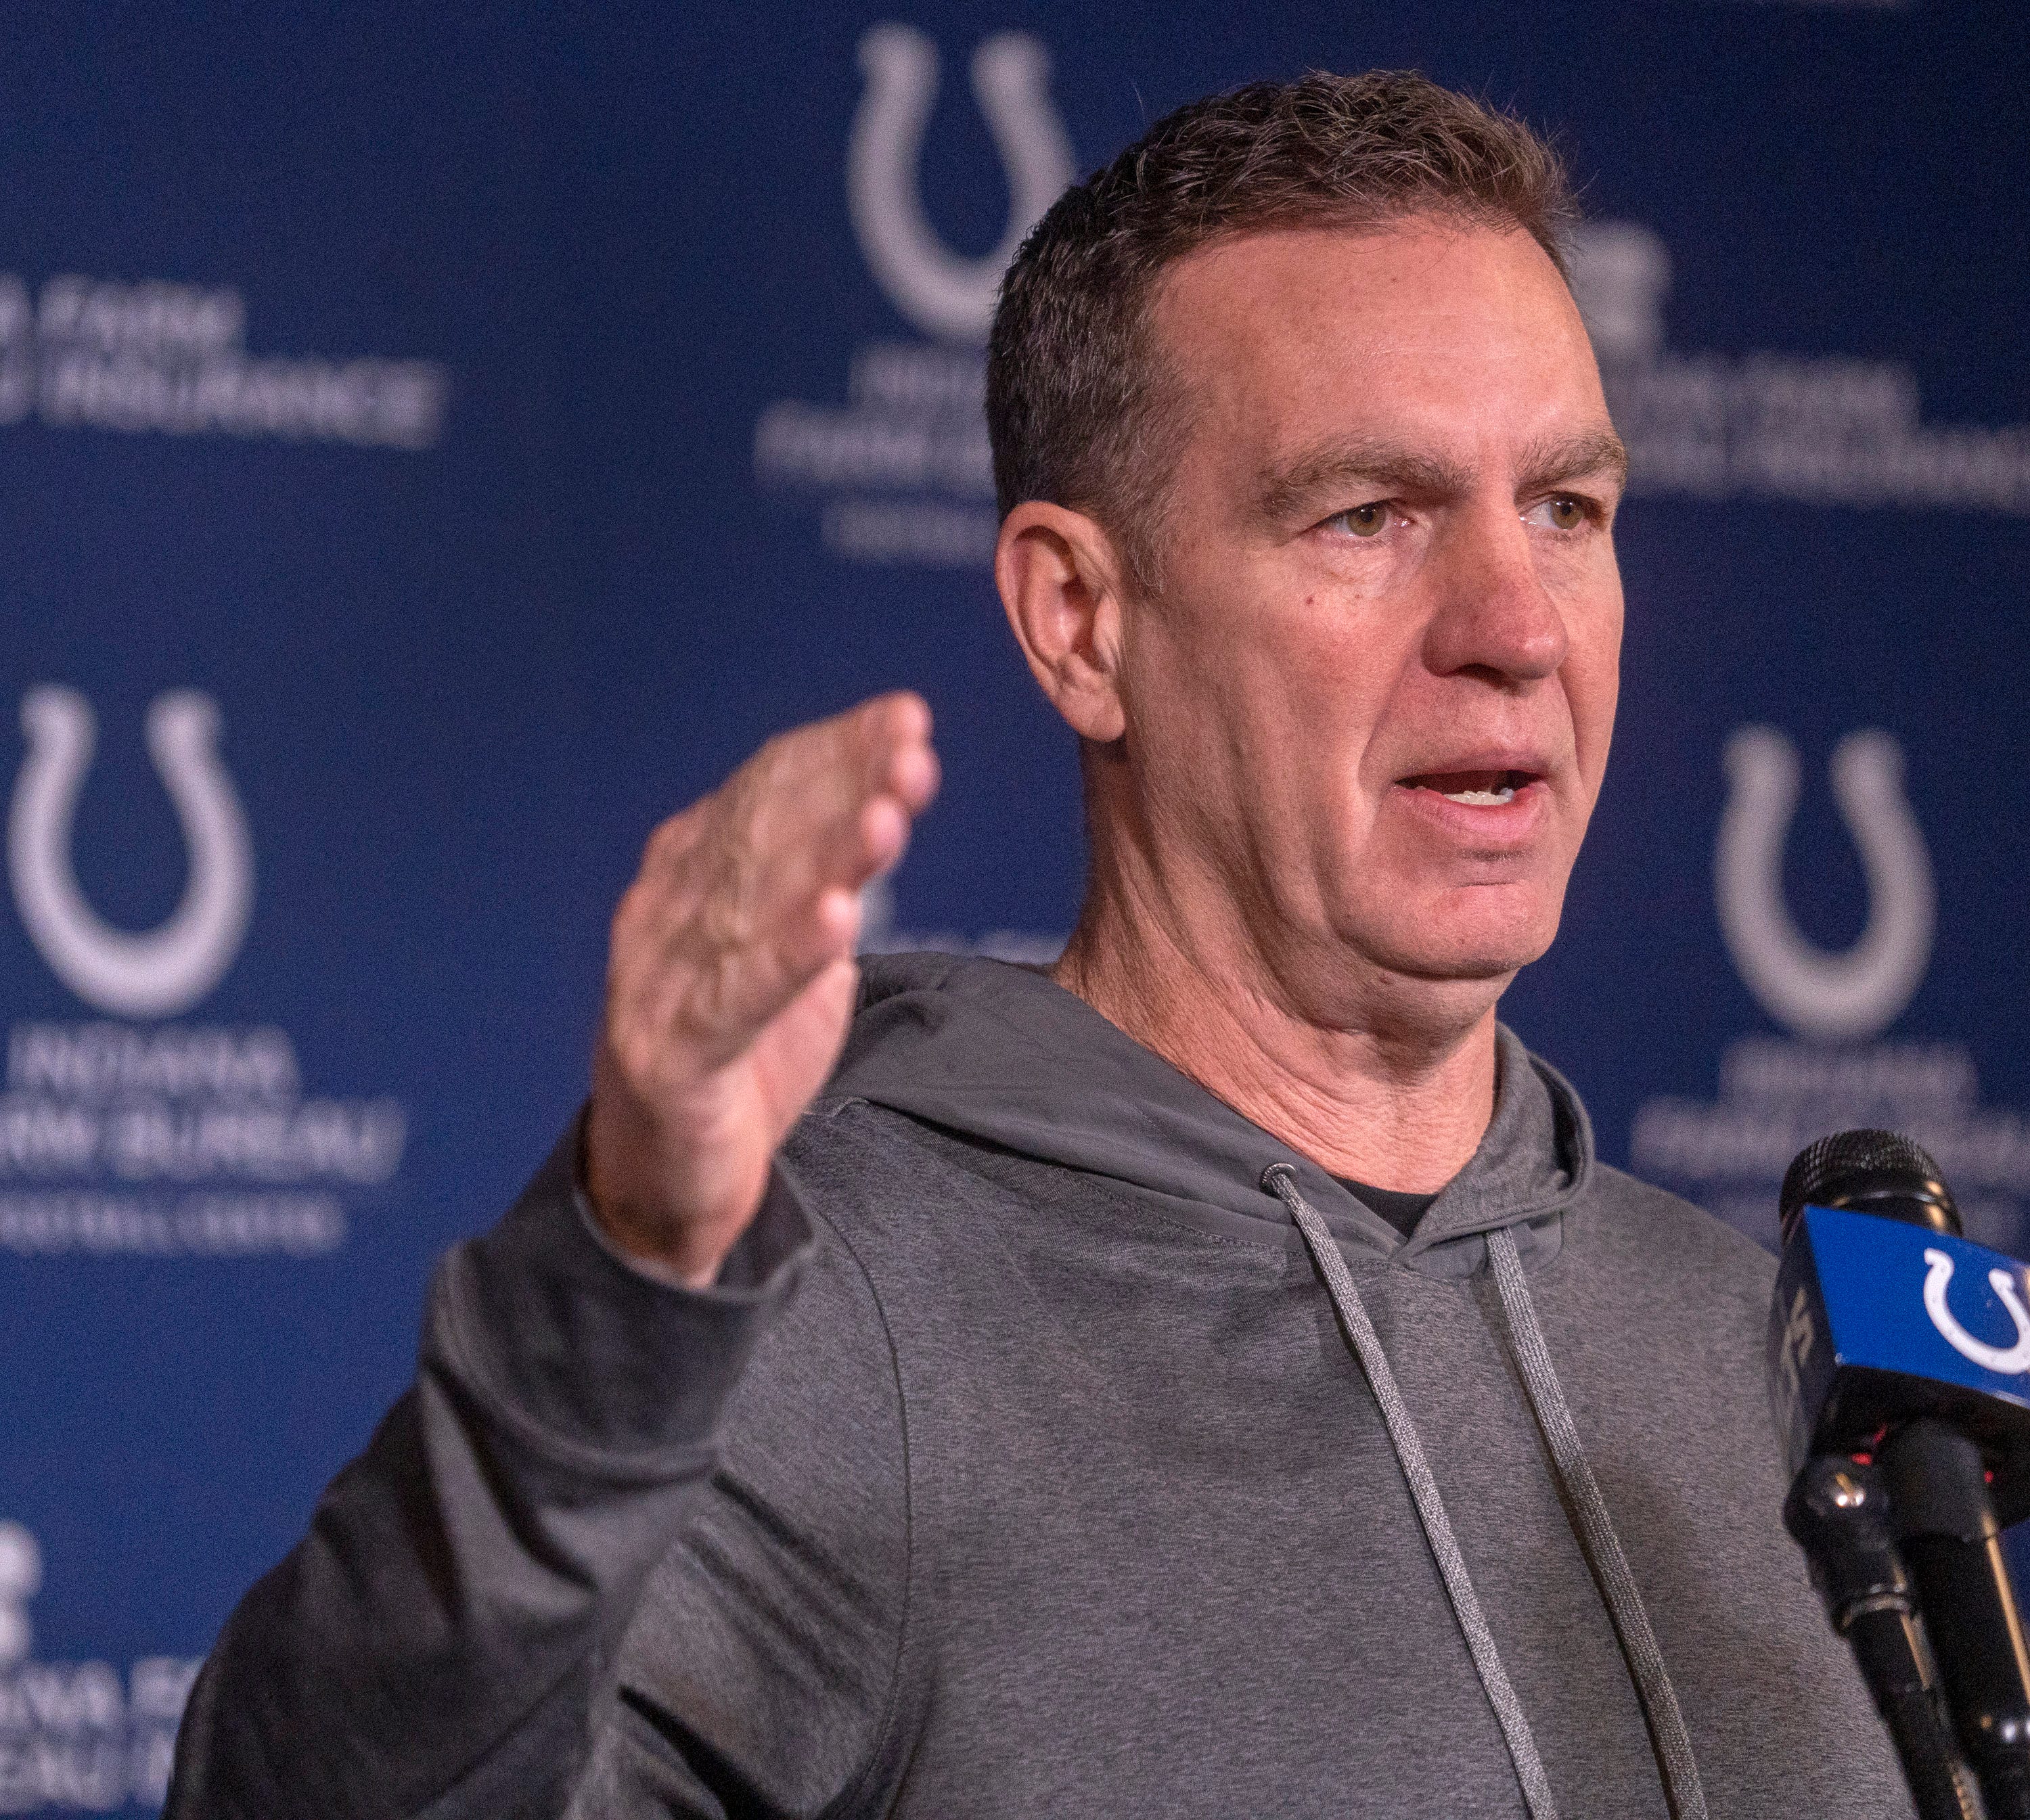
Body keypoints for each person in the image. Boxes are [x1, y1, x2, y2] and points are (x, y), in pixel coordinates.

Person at [166, 71, 1914, 1819]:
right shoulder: (846, 1320)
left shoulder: (1759, 1359)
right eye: (1368, 515)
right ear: (1082, 622)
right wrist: (620, 1275)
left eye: (1567, 510)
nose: (1516, 625)